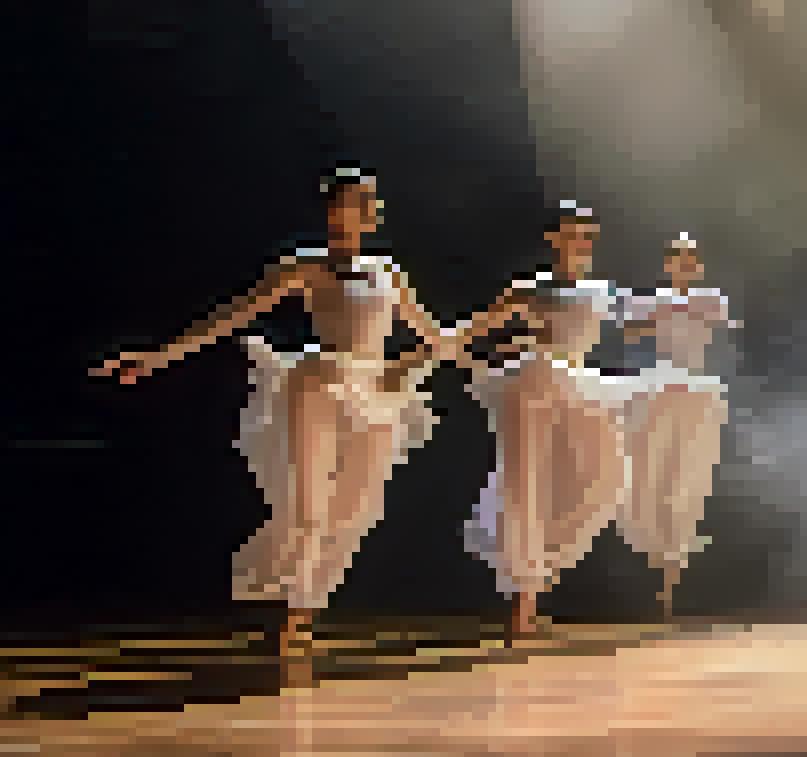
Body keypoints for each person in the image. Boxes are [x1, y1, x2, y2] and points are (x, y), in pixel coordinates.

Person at [94, 165, 453, 656]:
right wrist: (160, 356)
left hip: (372, 391)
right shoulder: (304, 266)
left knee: (357, 507)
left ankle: (305, 598)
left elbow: (432, 335)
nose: (360, 211)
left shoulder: (388, 273)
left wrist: (486, 351)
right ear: (332, 211)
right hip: (320, 381)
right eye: (350, 202)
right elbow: (231, 316)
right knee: (308, 502)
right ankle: (296, 616)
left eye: (367, 202)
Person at [450, 201, 635, 641]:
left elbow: (637, 322)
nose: (577, 243)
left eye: (584, 236)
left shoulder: (603, 291)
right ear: (553, 240)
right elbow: (476, 326)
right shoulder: (531, 288)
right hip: (533, 384)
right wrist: (430, 352)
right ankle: (525, 604)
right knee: (526, 486)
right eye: (569, 234)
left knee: (607, 479)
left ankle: (540, 568)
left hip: (575, 388)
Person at [618, 234, 739, 617]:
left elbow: (727, 330)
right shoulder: (650, 300)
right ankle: (655, 570)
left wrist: (696, 315)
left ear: (697, 266)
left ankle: (671, 583)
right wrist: (660, 316)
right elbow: (629, 331)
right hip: (658, 386)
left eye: (689, 259)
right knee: (649, 475)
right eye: (676, 259)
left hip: (696, 389)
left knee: (688, 479)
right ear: (667, 265)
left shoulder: (710, 298)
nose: (683, 266)